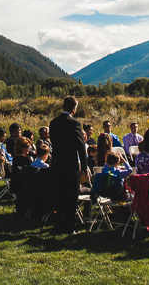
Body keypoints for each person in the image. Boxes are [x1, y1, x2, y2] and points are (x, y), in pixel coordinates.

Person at [49, 96, 88, 234]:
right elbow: (80, 147)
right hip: (71, 166)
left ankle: (58, 225)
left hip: (57, 164)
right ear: (74, 108)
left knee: (59, 196)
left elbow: (53, 142)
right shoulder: (75, 123)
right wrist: (84, 166)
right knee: (71, 198)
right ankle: (69, 227)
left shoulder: (53, 123)